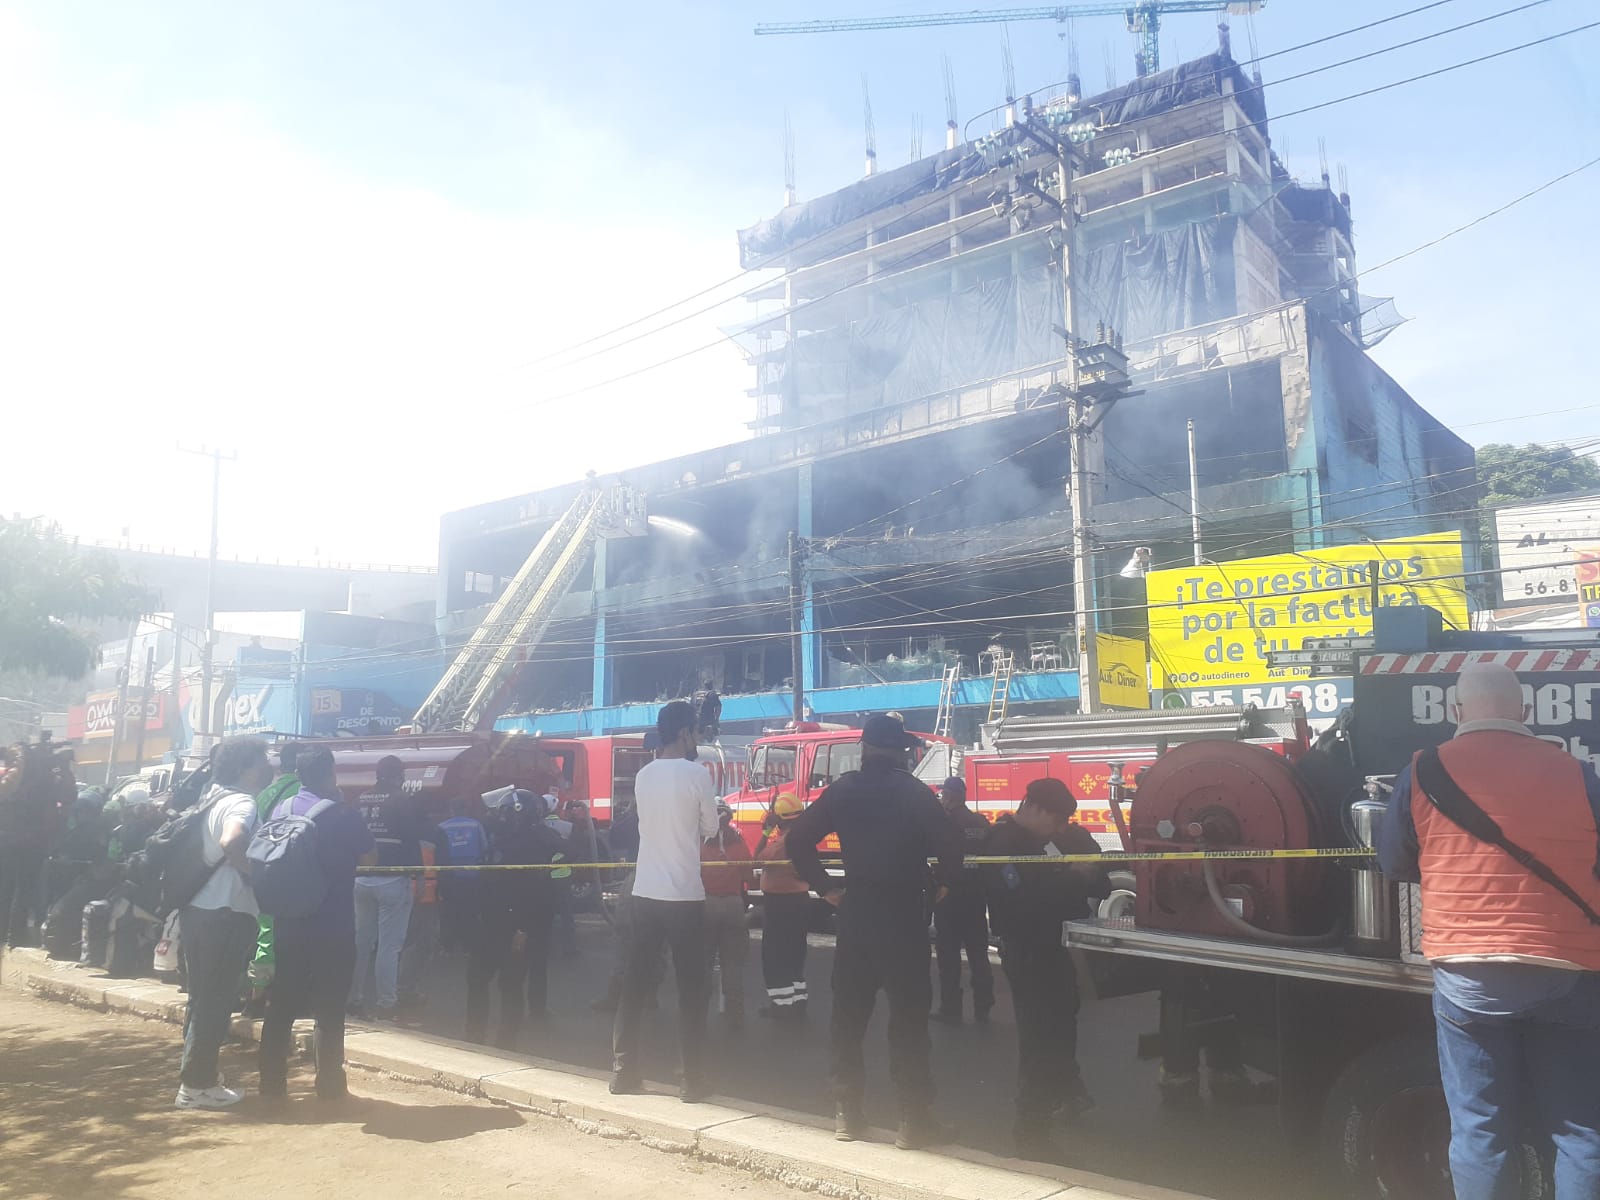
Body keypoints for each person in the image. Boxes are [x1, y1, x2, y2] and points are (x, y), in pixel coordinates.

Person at [1378, 662, 1600, 1200]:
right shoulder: (1578, 772)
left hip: (1468, 975)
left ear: (1455, 713)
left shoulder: (1423, 769)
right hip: (1566, 971)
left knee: (1479, 1130)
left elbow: (1394, 862)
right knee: (1580, 1133)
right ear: (1525, 712)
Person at [787, 714, 962, 1150]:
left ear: (864, 748)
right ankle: (912, 1122)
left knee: (848, 1021)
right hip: (903, 919)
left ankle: (848, 1114)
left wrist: (827, 887)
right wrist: (944, 882)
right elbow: (951, 844)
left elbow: (797, 841)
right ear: (901, 750)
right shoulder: (914, 792)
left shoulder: (842, 790)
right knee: (908, 1023)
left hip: (856, 917)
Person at [982, 776, 1110, 1161]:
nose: (1060, 829)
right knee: (1039, 1037)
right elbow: (1023, 903)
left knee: (1062, 1021)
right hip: (1026, 950)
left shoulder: (1048, 842)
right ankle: (1030, 1130)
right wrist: (1070, 877)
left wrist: (1081, 871)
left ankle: (1065, 1092)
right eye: (1056, 820)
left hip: (1053, 948)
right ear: (1034, 808)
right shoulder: (1003, 844)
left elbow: (1099, 884)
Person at [611, 700, 719, 1102]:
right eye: (696, 730)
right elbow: (709, 826)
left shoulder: (644, 775)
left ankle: (623, 1072)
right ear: (685, 733)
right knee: (692, 989)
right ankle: (691, 1080)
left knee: (635, 985)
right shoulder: (697, 774)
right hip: (684, 895)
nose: (698, 737)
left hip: (645, 891)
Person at [258, 746, 377, 1104]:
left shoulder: (280, 810)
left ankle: (272, 1085)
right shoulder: (343, 814)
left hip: (288, 923)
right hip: (334, 926)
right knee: (329, 1008)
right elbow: (370, 858)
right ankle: (328, 1084)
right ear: (330, 774)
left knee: (281, 1004)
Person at [175, 736, 273, 1111]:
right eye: (263, 762)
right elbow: (234, 840)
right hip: (226, 912)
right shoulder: (242, 802)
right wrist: (255, 875)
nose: (268, 769)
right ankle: (197, 1085)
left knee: (201, 996)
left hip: (198, 909)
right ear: (248, 769)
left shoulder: (209, 797)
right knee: (216, 998)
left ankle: (196, 1077)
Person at [481, 790, 570, 1046]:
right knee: (533, 966)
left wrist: (547, 870)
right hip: (533, 910)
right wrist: (551, 869)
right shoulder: (534, 835)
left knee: (512, 977)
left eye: (507, 812)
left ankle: (506, 1039)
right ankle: (535, 1012)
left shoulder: (526, 837)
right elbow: (570, 851)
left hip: (522, 914)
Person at [351, 754, 426, 1019]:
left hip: (360, 879)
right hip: (393, 880)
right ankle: (386, 1004)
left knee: (361, 943)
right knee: (389, 946)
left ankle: (353, 999)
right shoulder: (403, 800)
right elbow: (410, 841)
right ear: (400, 775)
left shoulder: (361, 798)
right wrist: (419, 877)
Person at [931, 776, 994, 1025]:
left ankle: (951, 1007)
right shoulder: (980, 822)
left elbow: (939, 856)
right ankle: (983, 1006)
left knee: (948, 955)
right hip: (976, 896)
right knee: (978, 953)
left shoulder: (945, 823)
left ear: (948, 796)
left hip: (949, 896)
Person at [246, 743, 303, 1013]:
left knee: (264, 933)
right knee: (287, 936)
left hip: (259, 868)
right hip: (288, 873)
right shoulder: (300, 794)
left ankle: (256, 994)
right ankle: (270, 996)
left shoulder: (266, 792)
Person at [755, 792, 812, 1020]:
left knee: (775, 955)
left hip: (780, 904)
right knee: (794, 953)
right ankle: (797, 1002)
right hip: (798, 902)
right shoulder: (803, 839)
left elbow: (757, 859)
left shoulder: (782, 845)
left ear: (780, 819)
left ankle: (781, 1006)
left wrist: (766, 831)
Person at [701, 802, 755, 1027]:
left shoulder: (700, 845)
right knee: (732, 963)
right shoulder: (739, 844)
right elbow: (749, 876)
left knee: (703, 962)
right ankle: (735, 1014)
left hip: (707, 905)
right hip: (733, 905)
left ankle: (697, 1011)